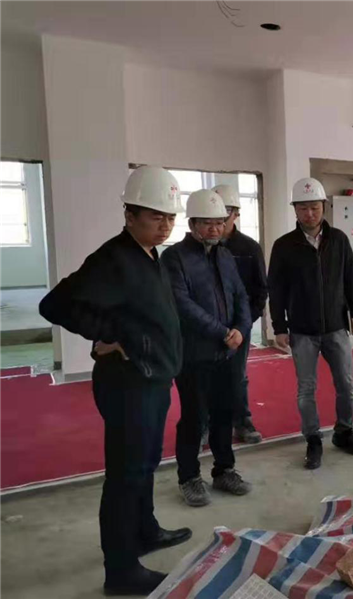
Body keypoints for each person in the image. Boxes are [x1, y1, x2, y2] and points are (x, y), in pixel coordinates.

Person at [39, 166, 192, 595]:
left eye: (170, 217)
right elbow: (55, 305)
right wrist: (106, 335)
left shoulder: (149, 254)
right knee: (126, 474)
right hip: (129, 385)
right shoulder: (114, 258)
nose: (165, 225)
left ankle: (145, 530)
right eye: (155, 216)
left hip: (153, 378)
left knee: (145, 464)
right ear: (129, 215)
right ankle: (121, 570)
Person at [267, 177, 353, 469]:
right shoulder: (284, 246)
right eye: (303, 208)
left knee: (346, 385)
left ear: (324, 206)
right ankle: (313, 439)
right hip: (302, 331)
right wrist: (279, 327)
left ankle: (344, 432)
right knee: (306, 390)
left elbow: (350, 277)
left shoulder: (339, 240)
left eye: (314, 207)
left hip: (336, 326)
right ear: (295, 210)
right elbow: (276, 289)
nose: (309, 214)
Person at [162, 189, 253, 507]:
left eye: (219, 222)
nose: (215, 228)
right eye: (207, 223)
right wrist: (223, 332)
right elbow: (181, 304)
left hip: (227, 353)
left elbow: (241, 296)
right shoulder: (174, 258)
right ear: (192, 224)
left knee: (224, 414)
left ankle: (224, 471)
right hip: (194, 355)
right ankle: (189, 478)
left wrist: (241, 329)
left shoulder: (225, 256)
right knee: (194, 418)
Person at [214, 184, 268, 444]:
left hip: (239, 326)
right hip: (206, 327)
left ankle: (242, 422)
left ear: (236, 213)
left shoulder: (249, 248)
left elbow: (260, 290)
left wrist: (244, 325)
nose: (220, 219)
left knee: (237, 376)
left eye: (227, 211)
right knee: (204, 377)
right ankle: (205, 424)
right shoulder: (195, 250)